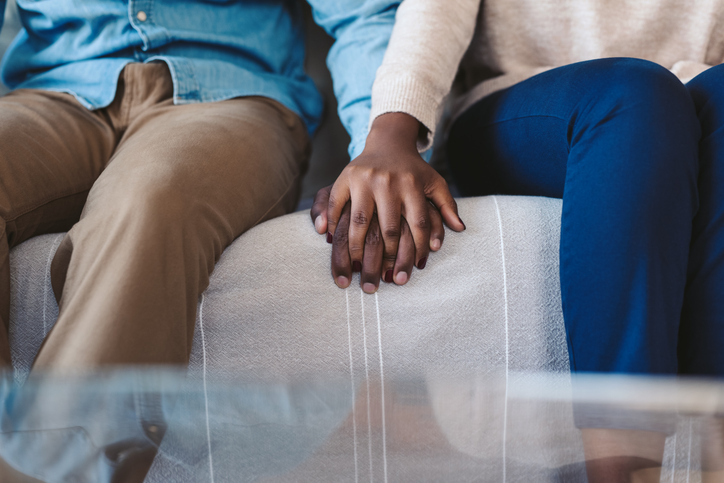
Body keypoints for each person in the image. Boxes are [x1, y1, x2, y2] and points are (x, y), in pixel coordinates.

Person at [312, 0, 724, 480]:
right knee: (637, 93)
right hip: (532, 102)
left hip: (691, 92)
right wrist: (390, 134)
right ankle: (623, 472)